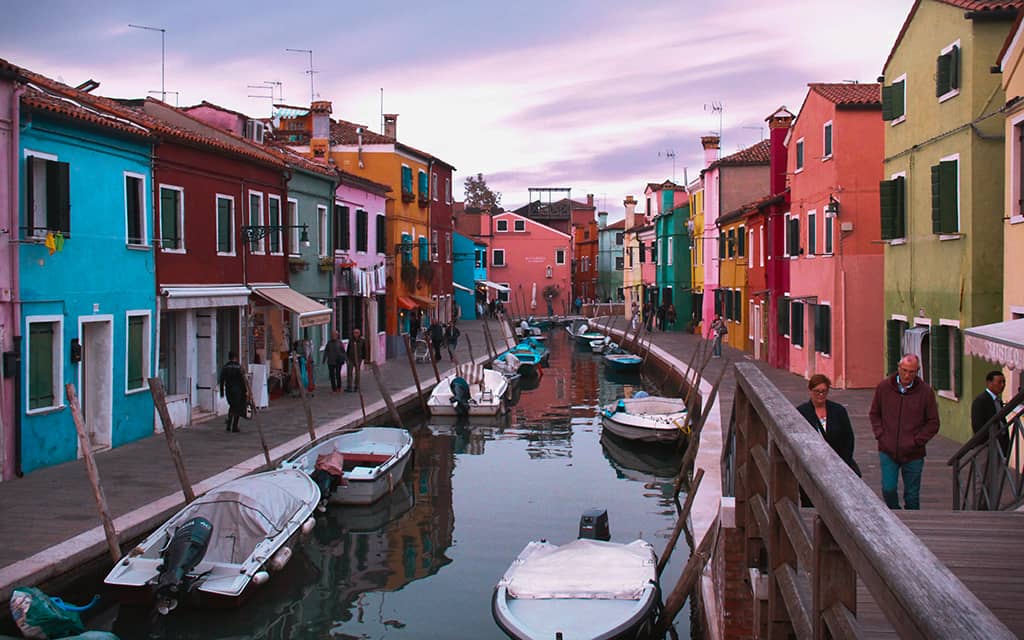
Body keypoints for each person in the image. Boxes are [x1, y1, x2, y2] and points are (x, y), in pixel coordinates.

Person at [868, 354, 940, 510]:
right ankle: (896, 516)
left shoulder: (925, 392)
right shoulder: (884, 388)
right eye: (905, 370)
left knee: (912, 495)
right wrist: (881, 435)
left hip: (914, 452)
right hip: (887, 449)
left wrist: (917, 441)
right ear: (898, 368)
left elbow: (933, 422)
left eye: (912, 372)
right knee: (888, 489)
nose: (907, 375)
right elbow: (874, 414)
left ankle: (914, 525)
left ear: (918, 371)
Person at [796, 374, 861, 476]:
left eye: (824, 391)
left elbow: (849, 438)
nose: (821, 394)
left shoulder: (839, 410)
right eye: (817, 391)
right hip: (813, 466)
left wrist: (843, 463)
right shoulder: (802, 412)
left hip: (839, 464)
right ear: (810, 390)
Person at [972, 370, 1008, 457]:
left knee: (999, 469)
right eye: (999, 382)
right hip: (987, 445)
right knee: (985, 469)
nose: (1002, 385)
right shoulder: (981, 400)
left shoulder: (998, 401)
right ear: (989, 383)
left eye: (1004, 382)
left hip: (1000, 444)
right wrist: (988, 440)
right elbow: (978, 425)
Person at [218, 351, 246, 433]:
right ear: (235, 357)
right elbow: (242, 380)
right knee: (237, 407)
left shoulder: (225, 367)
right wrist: (245, 391)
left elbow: (222, 379)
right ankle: (234, 426)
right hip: (238, 390)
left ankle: (229, 424)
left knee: (232, 406)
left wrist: (221, 391)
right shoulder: (238, 367)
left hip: (228, 390)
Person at [345, 328, 366, 392]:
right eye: (354, 333)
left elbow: (364, 349)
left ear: (359, 333)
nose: (355, 334)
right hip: (351, 358)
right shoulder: (351, 340)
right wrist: (347, 358)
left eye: (357, 333)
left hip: (358, 358)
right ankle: (349, 386)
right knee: (349, 372)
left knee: (357, 373)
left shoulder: (362, 341)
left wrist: (363, 358)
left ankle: (357, 386)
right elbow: (348, 349)